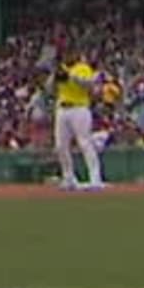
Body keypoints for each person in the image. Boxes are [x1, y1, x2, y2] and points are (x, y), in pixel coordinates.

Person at [52, 56, 107, 189]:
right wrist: (55, 76)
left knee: (84, 143)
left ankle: (95, 178)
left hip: (79, 108)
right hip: (62, 108)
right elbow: (50, 87)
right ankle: (69, 177)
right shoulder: (62, 67)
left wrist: (71, 76)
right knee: (60, 145)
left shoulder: (82, 67)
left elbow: (88, 84)